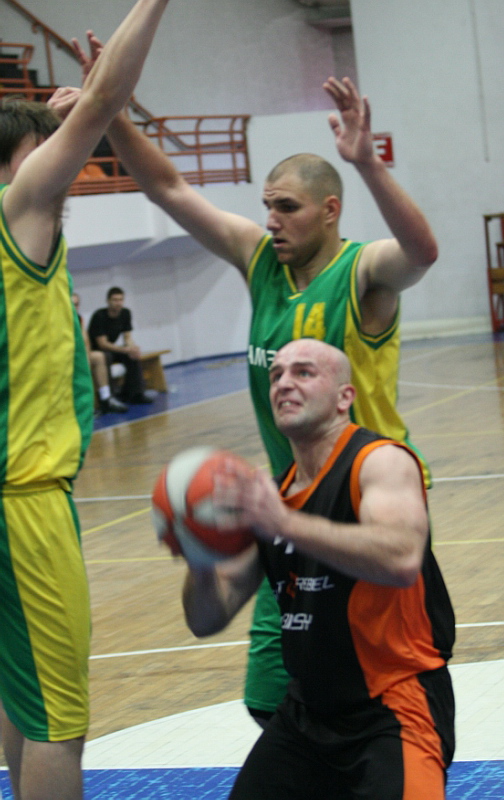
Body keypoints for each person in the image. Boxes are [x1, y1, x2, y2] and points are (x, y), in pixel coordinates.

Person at [51, 61, 439, 722]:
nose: (271, 220)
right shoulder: (258, 259)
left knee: (375, 692)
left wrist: (368, 164)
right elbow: (169, 187)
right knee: (268, 694)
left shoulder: (362, 272)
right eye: (267, 206)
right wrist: (110, 111)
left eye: (287, 208)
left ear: (330, 211)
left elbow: (421, 252)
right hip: (285, 505)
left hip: (367, 503)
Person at [0, 2, 170, 798]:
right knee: (58, 720)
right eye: (45, 152)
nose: (64, 161)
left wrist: (73, 108)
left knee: (18, 695)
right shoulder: (17, 212)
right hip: (22, 502)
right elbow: (102, 103)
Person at [182, 339, 455, 800]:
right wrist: (200, 557)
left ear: (345, 397)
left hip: (395, 705)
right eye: (276, 375)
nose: (283, 383)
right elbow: (206, 619)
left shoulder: (380, 461)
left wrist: (285, 524)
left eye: (304, 372)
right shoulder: (273, 497)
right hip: (307, 712)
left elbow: (402, 559)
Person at [88, 286, 154, 405]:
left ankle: (135, 393)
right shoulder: (99, 316)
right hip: (97, 350)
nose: (118, 303)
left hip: (112, 348)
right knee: (106, 357)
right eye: (115, 300)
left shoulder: (125, 313)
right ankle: (110, 396)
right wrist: (125, 349)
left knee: (132, 356)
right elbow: (102, 344)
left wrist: (132, 348)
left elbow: (127, 337)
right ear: (108, 301)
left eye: (121, 300)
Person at [71, 292, 128, 414]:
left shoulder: (79, 318)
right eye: (72, 304)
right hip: (66, 357)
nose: (75, 307)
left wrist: (86, 358)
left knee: (99, 357)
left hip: (79, 356)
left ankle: (105, 398)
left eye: (77, 304)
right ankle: (82, 405)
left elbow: (85, 341)